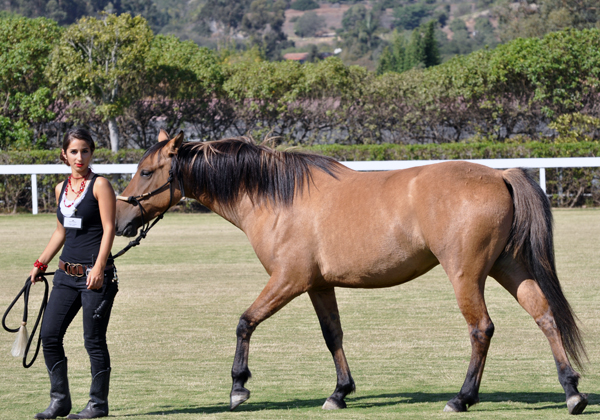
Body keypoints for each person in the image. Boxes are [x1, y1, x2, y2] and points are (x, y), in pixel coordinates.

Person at [29, 127, 117, 419]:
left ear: (92, 152)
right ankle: (60, 401)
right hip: (65, 276)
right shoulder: (60, 189)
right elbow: (60, 231)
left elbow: (109, 229)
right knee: (49, 336)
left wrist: (100, 267)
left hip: (95, 277)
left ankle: (97, 404)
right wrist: (41, 263)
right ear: (64, 155)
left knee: (93, 341)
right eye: (74, 151)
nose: (80, 157)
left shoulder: (100, 185)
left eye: (85, 150)